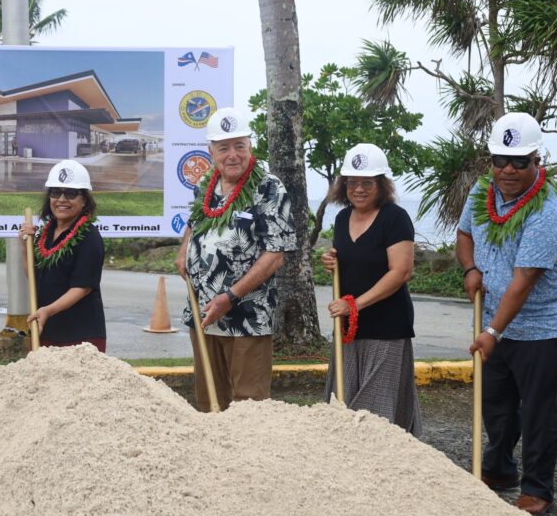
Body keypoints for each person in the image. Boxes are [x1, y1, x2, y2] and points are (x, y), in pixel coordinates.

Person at [456, 112, 557, 516]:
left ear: (536, 161)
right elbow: (464, 234)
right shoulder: (482, 193)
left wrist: (491, 331)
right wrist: (470, 267)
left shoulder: (550, 210)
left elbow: (524, 280)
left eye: (519, 161)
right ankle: (499, 468)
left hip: (546, 325)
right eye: (500, 160)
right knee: (496, 402)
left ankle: (537, 489)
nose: (507, 169)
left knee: (538, 408)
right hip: (498, 320)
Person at [174, 107, 297, 412]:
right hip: (202, 315)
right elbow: (194, 221)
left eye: (239, 146)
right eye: (223, 147)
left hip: (247, 319)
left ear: (250, 146)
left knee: (248, 408)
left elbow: (274, 256)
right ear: (211, 151)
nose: (232, 155)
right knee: (208, 402)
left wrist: (229, 297)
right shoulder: (206, 184)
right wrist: (183, 252)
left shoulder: (268, 187)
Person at [321, 143, 422, 435]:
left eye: (367, 183)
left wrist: (356, 305)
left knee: (376, 411)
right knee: (343, 401)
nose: (359, 189)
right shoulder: (342, 219)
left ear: (381, 185)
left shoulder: (395, 218)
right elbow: (352, 260)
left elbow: (401, 271)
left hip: (386, 328)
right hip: (349, 328)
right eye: (353, 182)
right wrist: (332, 260)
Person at [20, 160, 107, 351]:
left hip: (80, 336)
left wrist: (48, 311)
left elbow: (82, 287)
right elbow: (33, 277)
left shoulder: (89, 237)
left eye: (70, 193)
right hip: (46, 329)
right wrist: (25, 247)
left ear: (84, 200)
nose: (61, 199)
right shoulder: (46, 233)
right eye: (55, 192)